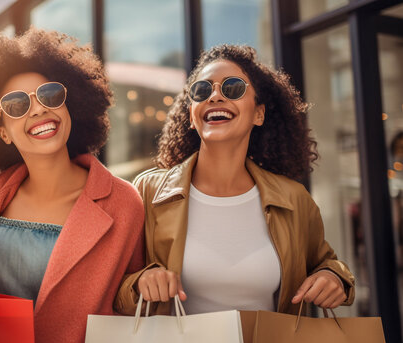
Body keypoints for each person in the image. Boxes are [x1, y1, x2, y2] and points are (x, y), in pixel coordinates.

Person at [0, 27, 144, 343]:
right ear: (2, 132)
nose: (37, 110)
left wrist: (149, 281)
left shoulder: (123, 202)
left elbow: (134, 298)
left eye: (48, 95)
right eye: (16, 105)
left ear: (69, 106)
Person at [115, 44, 355, 316]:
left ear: (259, 113)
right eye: (202, 90)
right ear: (192, 116)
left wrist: (334, 278)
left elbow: (327, 264)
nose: (215, 96)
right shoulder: (147, 192)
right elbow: (113, 283)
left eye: (232, 88)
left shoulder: (293, 199)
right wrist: (139, 284)